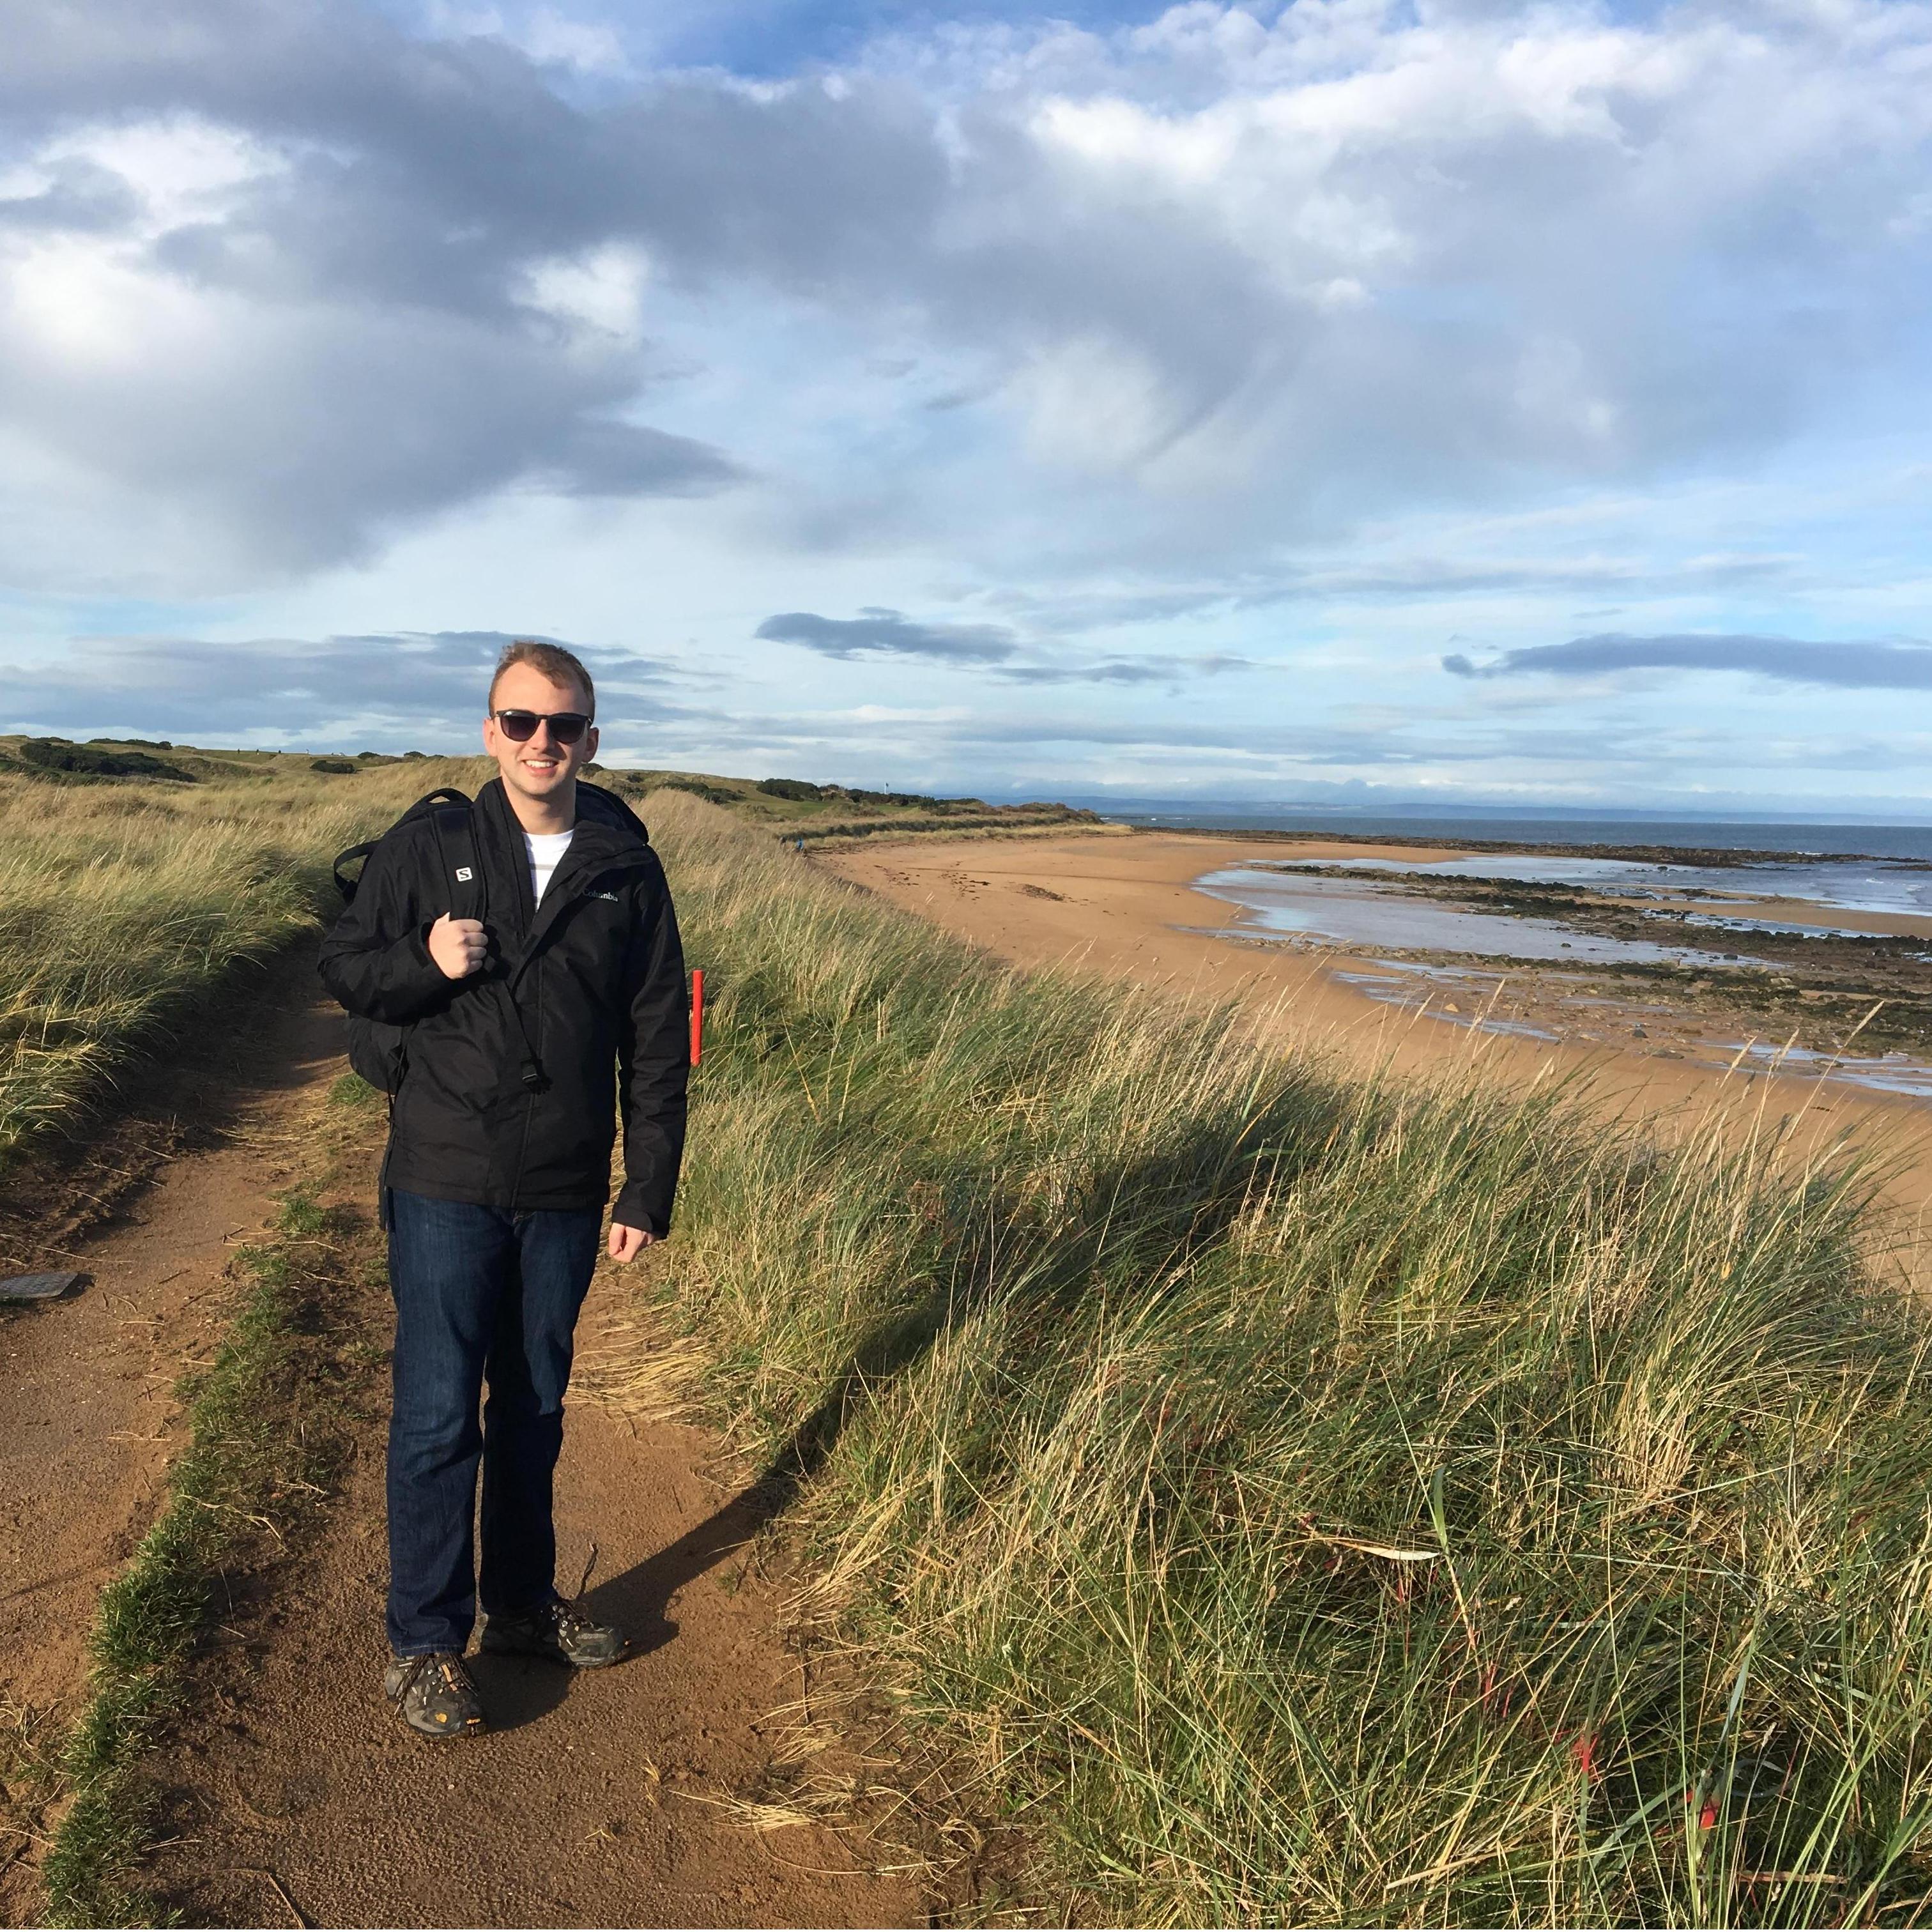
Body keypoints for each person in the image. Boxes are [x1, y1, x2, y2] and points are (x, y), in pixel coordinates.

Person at [318, 640, 689, 1740]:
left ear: (592, 739)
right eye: (521, 722)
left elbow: (659, 1032)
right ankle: (425, 1641)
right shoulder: (430, 844)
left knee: (532, 1406)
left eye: (563, 725)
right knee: (438, 1414)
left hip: (568, 1186)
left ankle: (522, 1607)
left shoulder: (627, 865)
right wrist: (424, 963)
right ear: (491, 732)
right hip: (444, 1171)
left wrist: (646, 1187)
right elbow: (343, 964)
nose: (543, 743)